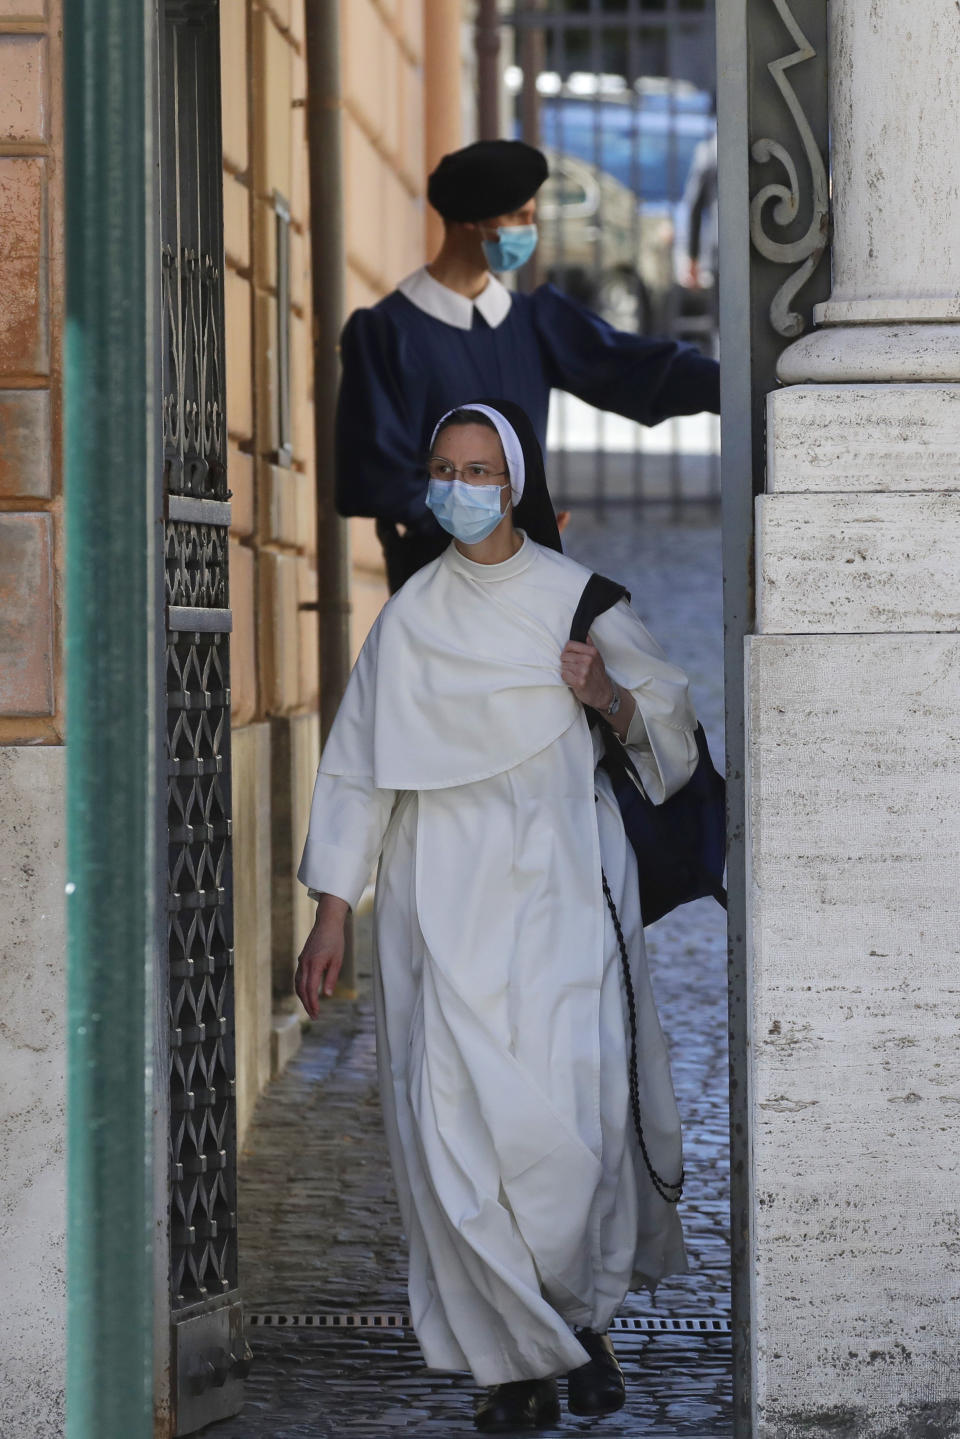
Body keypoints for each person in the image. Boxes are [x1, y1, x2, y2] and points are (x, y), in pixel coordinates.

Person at [296, 398, 699, 1432]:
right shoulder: (412, 617)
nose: (460, 485)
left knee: (573, 1120)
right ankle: (511, 1367)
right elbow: (356, 770)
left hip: (562, 889)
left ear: (513, 483)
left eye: (480, 468)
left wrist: (606, 692)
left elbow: (673, 733)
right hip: (439, 906)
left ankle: (581, 1323)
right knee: (456, 1131)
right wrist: (333, 908)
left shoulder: (577, 600)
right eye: (444, 465)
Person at [335, 138, 721, 592]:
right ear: (469, 222)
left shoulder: (534, 320)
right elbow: (371, 479)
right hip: (432, 582)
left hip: (527, 576)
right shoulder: (385, 332)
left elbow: (635, 369)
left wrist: (735, 384)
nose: (529, 229)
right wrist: (494, 530)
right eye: (518, 217)